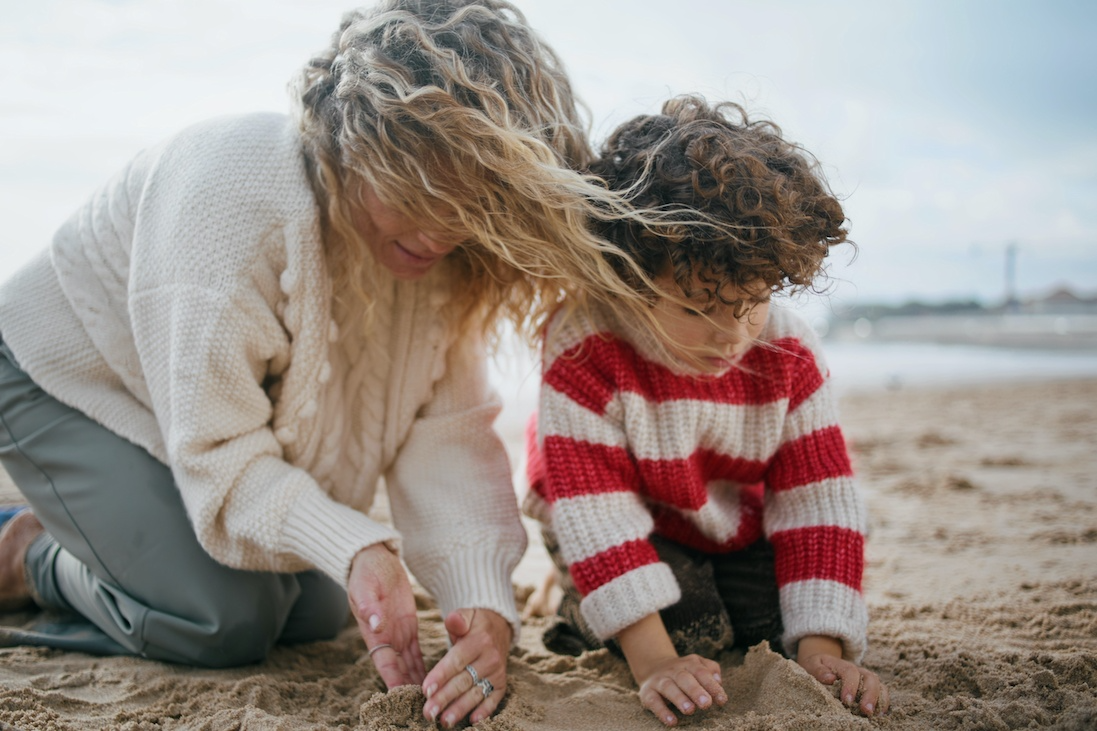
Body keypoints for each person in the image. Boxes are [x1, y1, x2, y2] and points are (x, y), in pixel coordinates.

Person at [0, 2, 649, 728]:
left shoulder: (445, 253)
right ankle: (32, 553)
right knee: (226, 619)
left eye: (470, 202)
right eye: (416, 192)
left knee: (317, 609)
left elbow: (448, 437)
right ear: (357, 142)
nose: (440, 231)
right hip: (63, 378)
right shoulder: (232, 196)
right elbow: (219, 456)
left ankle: (109, 538)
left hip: (193, 410)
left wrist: (483, 604)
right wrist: (356, 547)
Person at [523, 95, 890, 726]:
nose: (731, 335)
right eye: (698, 309)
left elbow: (818, 503)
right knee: (691, 630)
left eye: (752, 303)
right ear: (630, 279)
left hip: (717, 507)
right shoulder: (584, 344)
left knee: (776, 624)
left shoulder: (789, 352)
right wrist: (654, 663)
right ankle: (574, 595)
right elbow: (598, 516)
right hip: (599, 507)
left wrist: (822, 652)